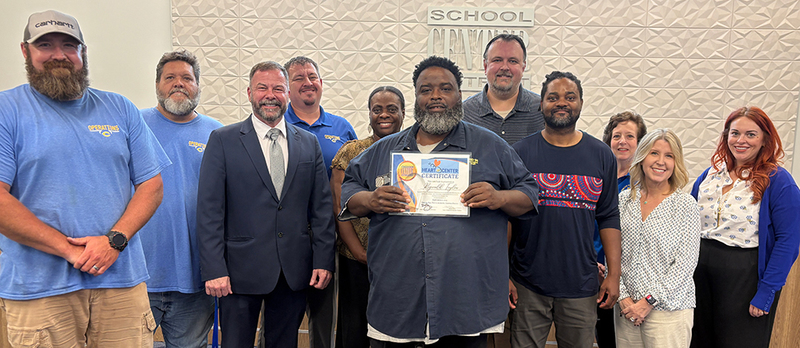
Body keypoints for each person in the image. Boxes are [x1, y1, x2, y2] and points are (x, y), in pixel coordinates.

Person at [340, 56, 538, 348]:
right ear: (416, 97)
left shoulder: (491, 146)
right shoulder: (384, 150)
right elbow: (349, 193)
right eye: (426, 89)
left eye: (445, 88)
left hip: (465, 302)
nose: (435, 96)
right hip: (399, 300)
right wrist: (370, 199)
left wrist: (500, 197)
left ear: (459, 95)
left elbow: (529, 194)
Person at [0, 10, 170, 347]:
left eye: (69, 45)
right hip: (39, 289)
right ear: (25, 51)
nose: (59, 55)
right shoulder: (7, 110)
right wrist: (68, 250)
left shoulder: (120, 108)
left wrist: (113, 242)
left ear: (83, 52)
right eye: (45, 45)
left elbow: (152, 186)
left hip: (121, 283)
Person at [196, 61, 335, 348]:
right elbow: (209, 211)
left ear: (288, 94)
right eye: (262, 88)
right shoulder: (223, 140)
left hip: (293, 272)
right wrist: (214, 269)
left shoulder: (308, 143)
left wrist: (323, 260)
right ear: (249, 93)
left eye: (278, 89)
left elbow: (321, 209)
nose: (270, 95)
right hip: (237, 273)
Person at [510, 71, 621, 348]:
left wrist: (614, 275)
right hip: (527, 282)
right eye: (553, 97)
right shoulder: (520, 153)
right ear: (541, 104)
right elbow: (507, 218)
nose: (562, 102)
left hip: (581, 284)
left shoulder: (601, 155)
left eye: (570, 97)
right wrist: (503, 275)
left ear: (581, 103)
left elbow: (608, 216)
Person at [690, 106, 800, 348]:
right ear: (726, 136)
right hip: (699, 273)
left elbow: (788, 241)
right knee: (697, 341)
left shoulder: (779, 181)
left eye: (751, 134)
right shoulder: (710, 175)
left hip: (744, 276)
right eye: (735, 133)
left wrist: (767, 292)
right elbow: (687, 224)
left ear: (765, 140)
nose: (741, 140)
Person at [138, 49, 223, 347]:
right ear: (157, 84)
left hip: (195, 280)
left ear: (197, 85)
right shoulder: (135, 125)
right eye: (170, 77)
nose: (178, 83)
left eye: (187, 78)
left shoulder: (218, 134)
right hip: (139, 277)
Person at [283, 56, 355, 348]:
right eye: (298, 78)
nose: (307, 83)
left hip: (329, 235)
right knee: (280, 317)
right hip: (285, 236)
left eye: (312, 76)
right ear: (287, 87)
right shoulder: (277, 124)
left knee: (324, 317)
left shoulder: (342, 128)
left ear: (321, 83)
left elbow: (355, 178)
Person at [330, 86, 405, 348]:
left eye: (392, 109)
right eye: (377, 109)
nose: (384, 115)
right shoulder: (350, 152)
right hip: (357, 258)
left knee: (396, 330)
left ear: (403, 113)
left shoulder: (415, 153)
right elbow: (339, 208)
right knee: (355, 329)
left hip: (402, 260)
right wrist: (360, 253)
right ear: (369, 114)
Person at [615, 129, 700, 347]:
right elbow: (612, 252)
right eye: (654, 153)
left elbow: (685, 264)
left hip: (669, 312)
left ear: (676, 163)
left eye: (669, 156)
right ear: (642, 157)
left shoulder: (685, 205)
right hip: (627, 309)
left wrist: (649, 301)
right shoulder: (624, 200)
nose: (661, 161)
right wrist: (622, 297)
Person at [594, 111, 648, 347]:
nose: (622, 142)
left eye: (630, 136)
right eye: (617, 136)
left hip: (629, 278)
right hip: (595, 271)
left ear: (640, 143)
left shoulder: (645, 184)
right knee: (604, 335)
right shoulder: (596, 178)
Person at [463, 33, 544, 145]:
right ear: (485, 66)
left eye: (513, 61)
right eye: (497, 60)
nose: (505, 67)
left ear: (523, 67)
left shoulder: (542, 112)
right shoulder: (465, 113)